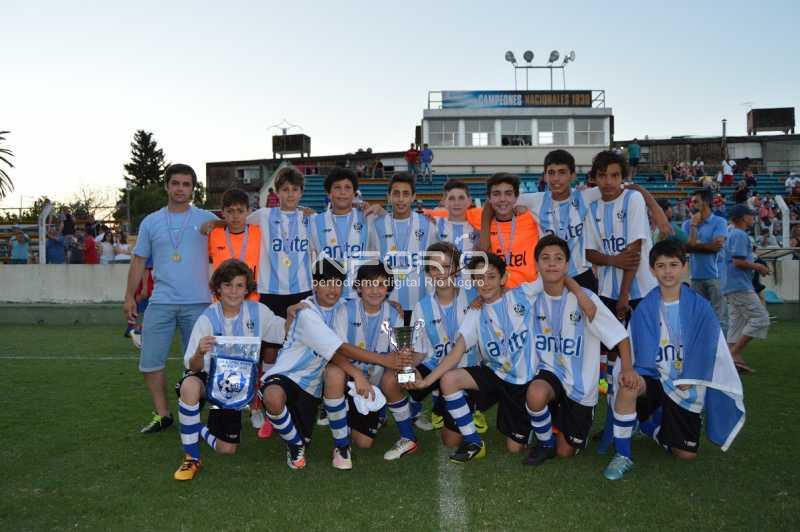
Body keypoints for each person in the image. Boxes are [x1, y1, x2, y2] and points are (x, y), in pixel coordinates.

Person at [406, 252, 594, 463]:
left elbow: (554, 275)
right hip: (497, 377)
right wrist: (427, 381)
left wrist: (580, 294)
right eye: (479, 278)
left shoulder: (522, 294)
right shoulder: (474, 312)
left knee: (514, 448)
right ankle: (473, 442)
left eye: (491, 277)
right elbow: (456, 353)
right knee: (449, 379)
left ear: (503, 279)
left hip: (528, 382)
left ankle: (545, 431)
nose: (485, 283)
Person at [602, 239, 745, 480]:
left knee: (685, 454)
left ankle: (651, 427)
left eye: (673, 264)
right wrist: (630, 371)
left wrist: (694, 374)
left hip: (687, 383)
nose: (667, 271)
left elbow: (712, 347)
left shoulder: (700, 307)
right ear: (652, 270)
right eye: (661, 265)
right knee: (628, 387)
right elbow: (633, 348)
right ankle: (623, 455)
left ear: (684, 267)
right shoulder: (646, 307)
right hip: (655, 377)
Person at [260, 257, 411, 469]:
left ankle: (336, 424)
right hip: (291, 376)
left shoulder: (343, 306)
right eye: (325, 283)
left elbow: (366, 295)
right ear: (315, 285)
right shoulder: (306, 313)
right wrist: (366, 369)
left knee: (364, 442)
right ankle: (327, 446)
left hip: (313, 386)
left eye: (337, 283)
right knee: (277, 397)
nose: (332, 289)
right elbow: (339, 349)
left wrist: (388, 303)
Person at [123, 163, 219, 433]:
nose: (180, 189)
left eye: (186, 184)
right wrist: (129, 296)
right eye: (175, 183)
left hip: (199, 303)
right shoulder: (151, 221)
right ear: (167, 186)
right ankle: (163, 414)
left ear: (193, 188)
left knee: (202, 364)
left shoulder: (207, 219)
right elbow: (139, 261)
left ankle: (202, 414)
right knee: (150, 362)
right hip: (161, 301)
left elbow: (238, 226)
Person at [172, 259, 287, 480]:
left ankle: (193, 423)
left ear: (247, 289)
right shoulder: (207, 317)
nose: (233, 291)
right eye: (227, 285)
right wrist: (199, 352)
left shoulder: (258, 312)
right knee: (188, 385)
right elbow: (192, 365)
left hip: (235, 387)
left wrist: (295, 314)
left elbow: (284, 332)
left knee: (227, 449)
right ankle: (191, 458)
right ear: (218, 288)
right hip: (207, 379)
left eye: (239, 285)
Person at [523, 235, 629, 466]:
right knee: (535, 392)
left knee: (566, 452)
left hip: (581, 387)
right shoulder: (530, 297)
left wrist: (628, 370)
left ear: (567, 265)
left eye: (558, 258)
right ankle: (544, 442)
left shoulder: (587, 300)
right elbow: (499, 298)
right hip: (550, 375)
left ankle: (558, 427)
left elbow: (620, 336)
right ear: (537, 264)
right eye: (545, 258)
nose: (551, 263)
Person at [379, 242, 485, 455]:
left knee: (451, 441)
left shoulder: (474, 295)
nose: (441, 273)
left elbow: (503, 293)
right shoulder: (421, 306)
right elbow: (419, 350)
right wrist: (407, 370)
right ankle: (408, 437)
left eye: (447, 266)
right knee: (393, 378)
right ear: (428, 273)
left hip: (466, 371)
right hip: (435, 367)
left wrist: (483, 298)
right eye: (434, 268)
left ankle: (448, 405)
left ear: (456, 269)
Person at [584, 150, 658, 449]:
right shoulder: (592, 207)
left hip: (638, 293)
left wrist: (624, 297)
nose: (609, 181)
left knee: (639, 361)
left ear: (623, 176)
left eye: (615, 175)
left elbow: (635, 253)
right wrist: (613, 260)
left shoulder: (633, 200)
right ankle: (614, 424)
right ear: (595, 177)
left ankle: (644, 418)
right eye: (602, 176)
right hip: (606, 293)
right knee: (611, 362)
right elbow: (589, 252)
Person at [324, 262, 403, 469]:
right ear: (358, 287)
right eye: (368, 284)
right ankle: (340, 446)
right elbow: (337, 350)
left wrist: (410, 379)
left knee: (364, 443)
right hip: (349, 376)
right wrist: (359, 373)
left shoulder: (394, 315)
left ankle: (369, 413)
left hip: (372, 384)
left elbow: (399, 358)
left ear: (388, 288)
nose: (375, 290)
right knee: (333, 372)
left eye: (381, 285)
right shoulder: (344, 310)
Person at [369, 172, 437, 323]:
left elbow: (434, 266)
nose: (400, 199)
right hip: (388, 304)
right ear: (389, 196)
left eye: (406, 194)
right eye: (396, 194)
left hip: (422, 303)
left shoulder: (428, 225)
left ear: (413, 197)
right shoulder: (376, 225)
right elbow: (373, 266)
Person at [309, 167, 372, 301]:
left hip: (360, 297)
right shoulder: (315, 221)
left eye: (348, 187)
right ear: (328, 193)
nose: (343, 192)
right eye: (337, 187)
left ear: (354, 193)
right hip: (328, 298)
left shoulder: (367, 218)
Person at [723, 205, 770, 373]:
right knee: (761, 318)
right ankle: (733, 354)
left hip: (731, 285)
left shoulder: (732, 233)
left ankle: (731, 362)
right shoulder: (740, 234)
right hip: (739, 285)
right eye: (751, 215)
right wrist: (759, 267)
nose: (753, 217)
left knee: (737, 324)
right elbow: (738, 261)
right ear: (744, 217)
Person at [478, 172, 541, 288]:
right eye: (496, 194)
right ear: (489, 198)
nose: (502, 199)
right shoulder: (481, 221)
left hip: (529, 293)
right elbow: (451, 213)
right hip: (497, 293)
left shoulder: (531, 217)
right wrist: (432, 215)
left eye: (508, 194)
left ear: (516, 197)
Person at [683, 189, 729, 331]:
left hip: (716, 276)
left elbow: (716, 247)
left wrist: (694, 246)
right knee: (698, 318)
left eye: (696, 201)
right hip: (696, 277)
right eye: (692, 201)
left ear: (707, 202)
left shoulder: (719, 221)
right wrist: (694, 226)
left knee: (720, 318)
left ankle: (722, 352)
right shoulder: (688, 224)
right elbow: (685, 248)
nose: (692, 204)